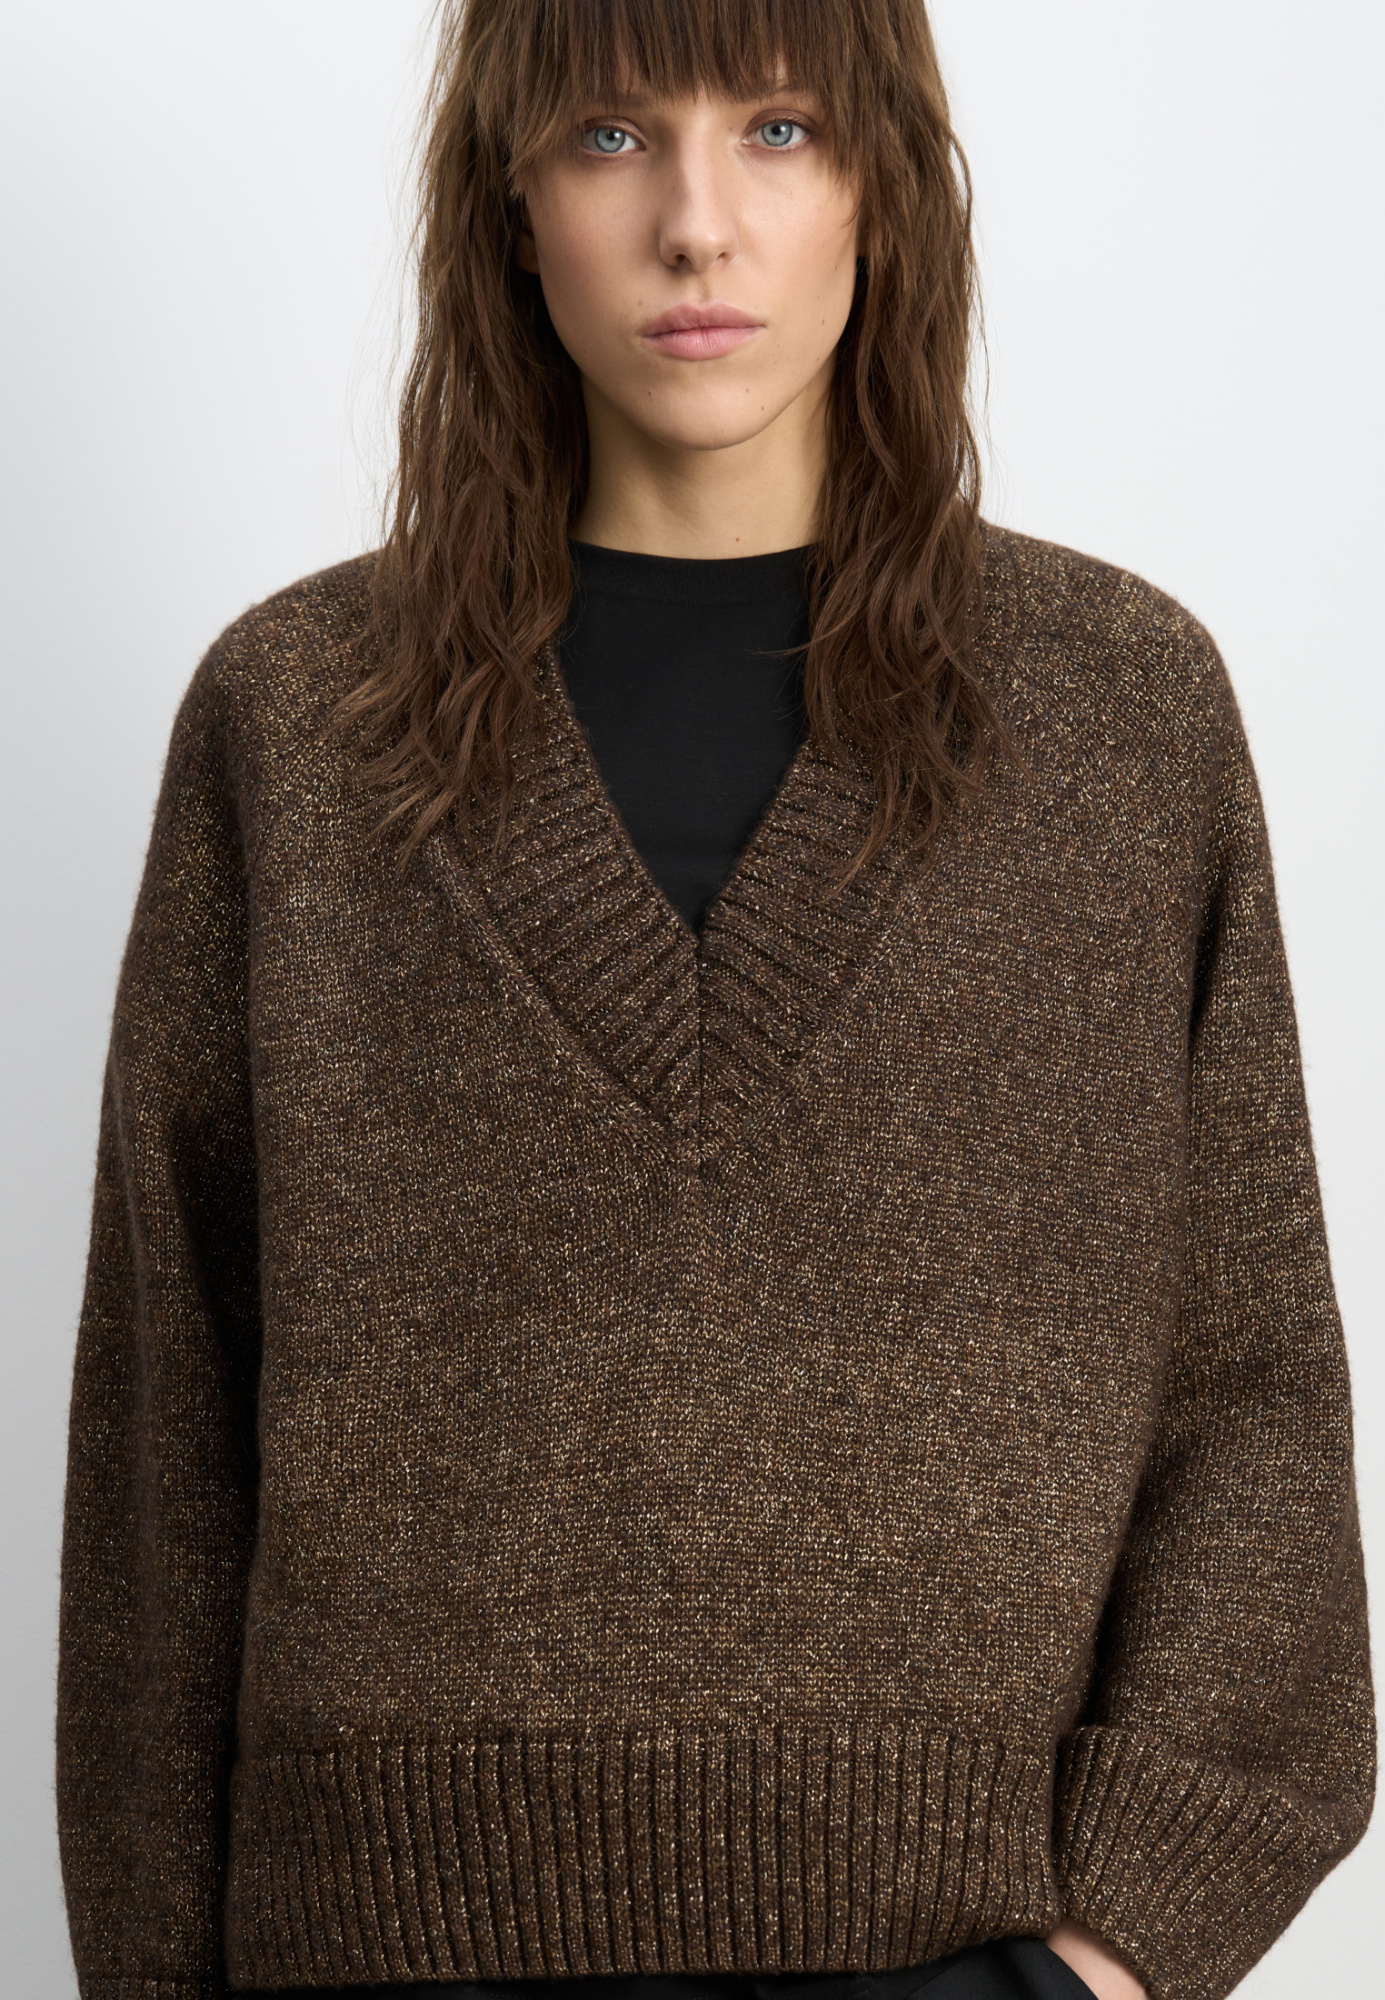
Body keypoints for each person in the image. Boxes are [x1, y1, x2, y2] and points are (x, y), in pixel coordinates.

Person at [55, 4, 1375, 2000]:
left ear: (883, 189)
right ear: (509, 204)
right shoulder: (300, 724)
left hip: (966, 1956)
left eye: (777, 129)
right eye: (608, 136)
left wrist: (1096, 1964)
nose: (696, 221)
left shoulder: (1114, 715)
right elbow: (164, 1458)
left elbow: (1249, 1398)